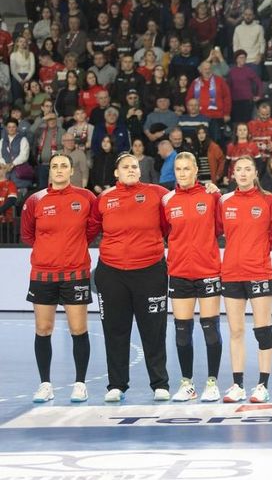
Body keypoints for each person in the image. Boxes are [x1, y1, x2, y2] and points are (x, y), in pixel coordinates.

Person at [89, 153, 171, 402]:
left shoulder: (157, 194)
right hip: (112, 273)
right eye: (125, 167)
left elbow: (170, 224)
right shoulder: (104, 198)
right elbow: (91, 228)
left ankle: (160, 383)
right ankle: (117, 385)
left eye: (135, 166)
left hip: (150, 271)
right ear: (116, 173)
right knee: (115, 330)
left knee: (154, 330)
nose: (131, 169)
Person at [21, 154, 100, 403]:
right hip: (43, 274)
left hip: (76, 273)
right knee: (43, 329)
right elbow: (27, 234)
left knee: (78, 329)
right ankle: (45, 385)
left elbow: (92, 228)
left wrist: (73, 247)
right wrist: (48, 251)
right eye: (54, 166)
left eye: (63, 166)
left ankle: (80, 384)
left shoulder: (86, 197)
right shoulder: (35, 200)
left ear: (71, 170)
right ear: (50, 171)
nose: (58, 170)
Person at [219, 156, 272, 403]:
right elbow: (216, 228)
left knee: (262, 330)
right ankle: (237, 385)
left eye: (248, 169)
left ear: (256, 173)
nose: (243, 173)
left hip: (259, 272)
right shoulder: (225, 201)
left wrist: (259, 251)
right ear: (233, 174)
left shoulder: (269, 201)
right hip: (231, 273)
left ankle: (262, 386)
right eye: (239, 170)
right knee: (235, 330)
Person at [163, 152, 224, 403]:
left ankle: (212, 383)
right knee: (182, 331)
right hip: (179, 272)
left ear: (196, 171)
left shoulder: (212, 196)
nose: (183, 173)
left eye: (187, 168)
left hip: (208, 270)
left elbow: (220, 228)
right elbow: (164, 231)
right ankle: (187, 384)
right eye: (178, 169)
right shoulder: (168, 200)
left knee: (210, 329)